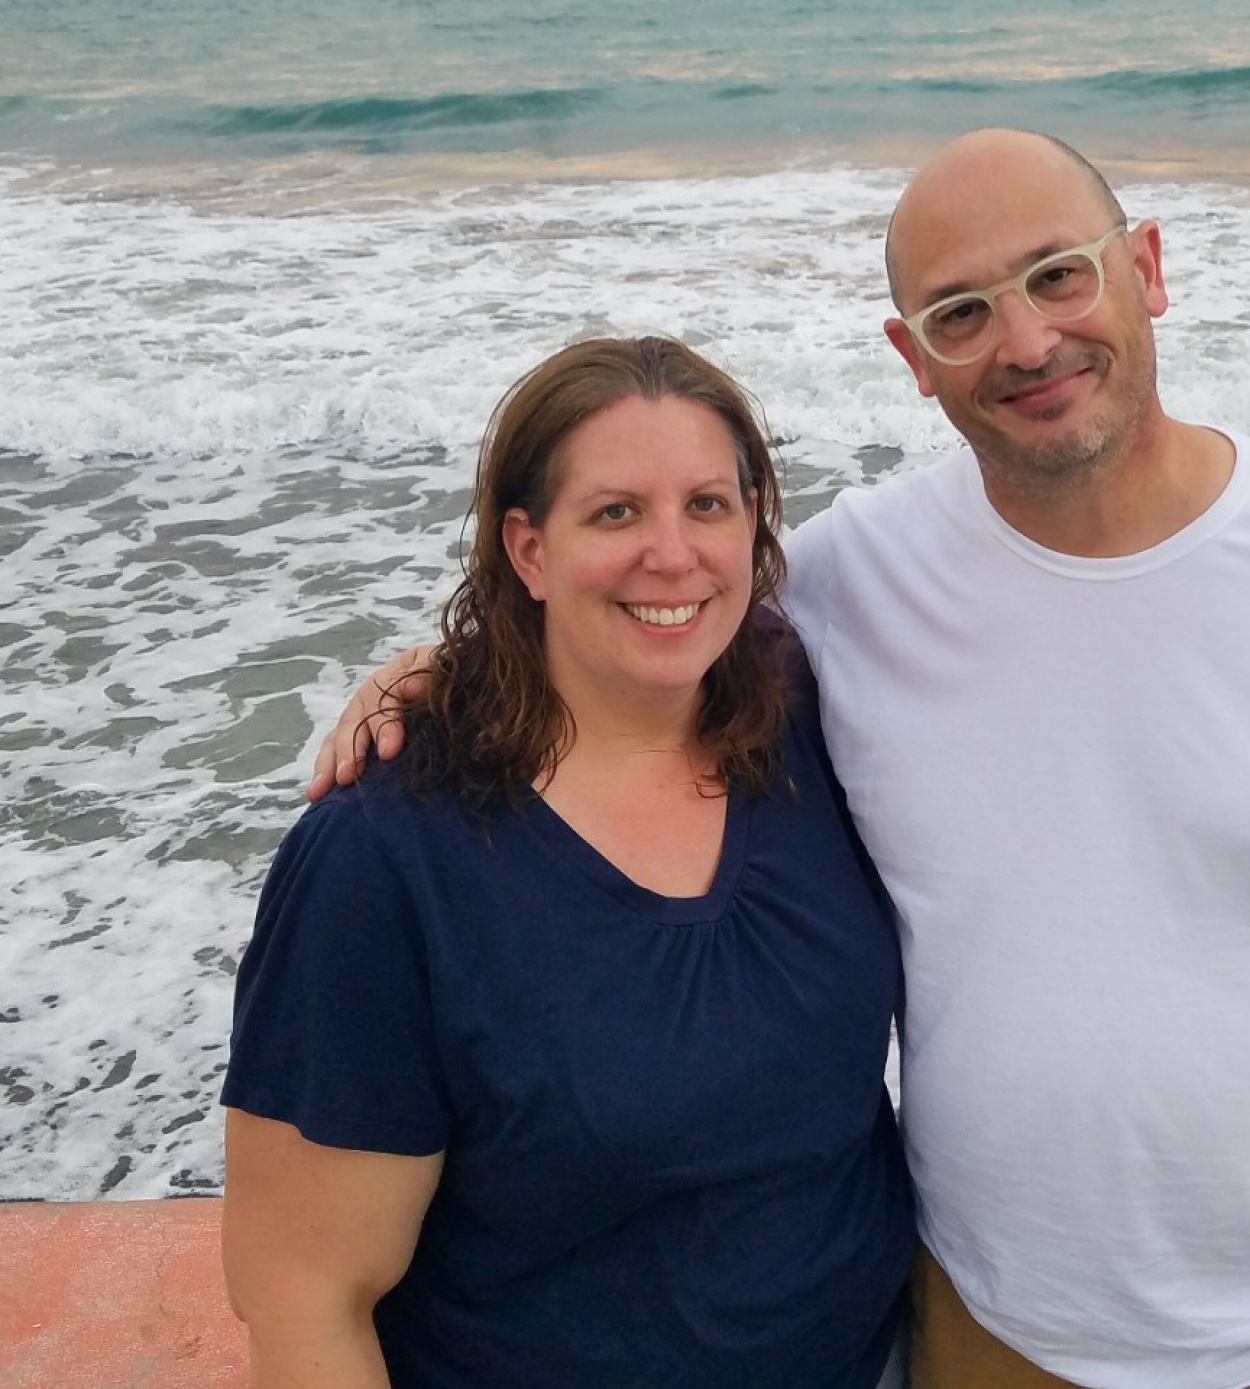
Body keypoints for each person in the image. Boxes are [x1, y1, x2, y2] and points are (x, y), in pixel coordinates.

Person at [313, 131, 1250, 1389]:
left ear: (1149, 271)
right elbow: (655, 621)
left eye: (1059, 274)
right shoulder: (849, 585)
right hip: (982, 1331)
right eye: (962, 312)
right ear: (914, 356)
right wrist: (449, 670)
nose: (1026, 339)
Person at [223, 336, 915, 1389]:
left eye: (708, 505)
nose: (672, 555)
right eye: (614, 512)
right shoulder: (384, 859)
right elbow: (303, 1295)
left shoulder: (805, 721)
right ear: (528, 549)